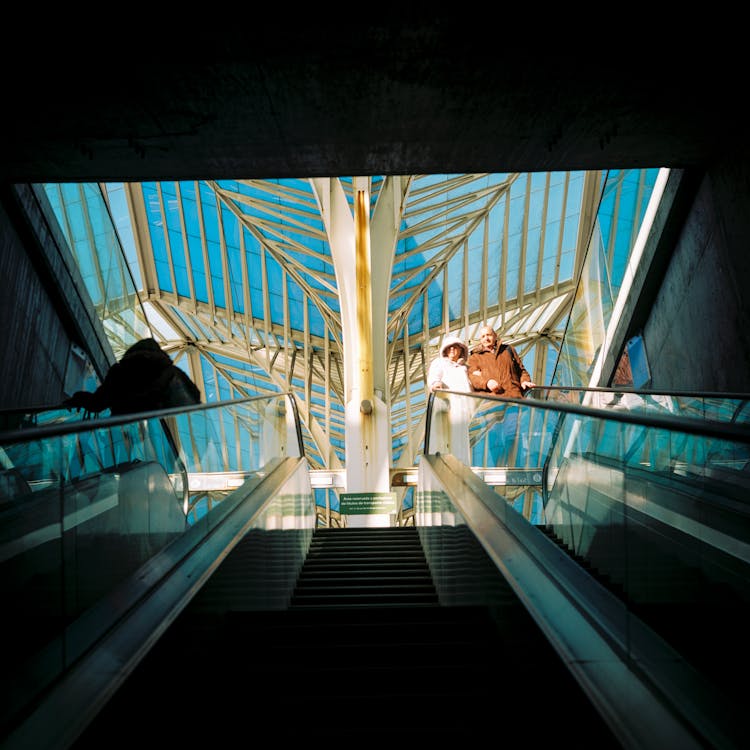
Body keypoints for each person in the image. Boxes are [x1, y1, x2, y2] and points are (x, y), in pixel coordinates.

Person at [64, 337, 201, 416]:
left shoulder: (121, 373)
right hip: (149, 431)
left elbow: (97, 403)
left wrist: (77, 399)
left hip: (126, 424)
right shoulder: (172, 374)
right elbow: (194, 400)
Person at [466, 325, 535, 466]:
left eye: (489, 335)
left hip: (513, 399)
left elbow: (521, 370)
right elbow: (473, 378)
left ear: (495, 335)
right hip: (492, 402)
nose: (486, 338)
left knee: (513, 435)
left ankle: (516, 467)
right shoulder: (474, 357)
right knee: (494, 437)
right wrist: (487, 382)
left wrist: (525, 381)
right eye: (483, 336)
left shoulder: (508, 350)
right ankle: (498, 468)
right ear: (480, 340)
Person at [426, 334, 473, 464]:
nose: (452, 349)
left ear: (461, 350)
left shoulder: (464, 368)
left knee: (460, 439)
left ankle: (461, 464)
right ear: (445, 350)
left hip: (462, 408)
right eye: (449, 347)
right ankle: (443, 462)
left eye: (456, 347)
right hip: (447, 405)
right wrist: (436, 383)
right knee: (445, 438)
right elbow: (434, 376)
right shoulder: (440, 362)